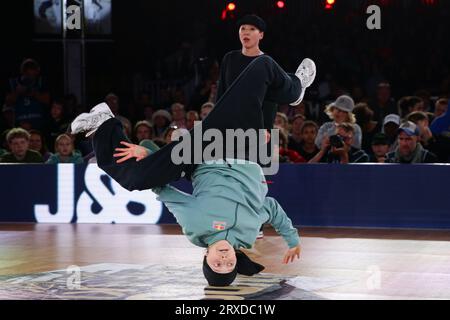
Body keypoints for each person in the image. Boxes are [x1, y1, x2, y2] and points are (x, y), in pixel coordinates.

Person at [70, 53, 315, 286]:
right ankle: (295, 88)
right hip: (245, 150)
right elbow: (271, 208)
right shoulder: (249, 233)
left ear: (206, 258)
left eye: (216, 264)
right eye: (228, 265)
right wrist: (292, 239)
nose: (223, 260)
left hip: (202, 152)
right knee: (262, 68)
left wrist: (151, 159)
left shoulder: (195, 227)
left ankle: (103, 123)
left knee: (135, 179)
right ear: (236, 261)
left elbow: (163, 190)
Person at [4, 58, 50, 130]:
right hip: (19, 123)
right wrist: (17, 92)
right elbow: (7, 102)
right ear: (23, 72)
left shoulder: (41, 82)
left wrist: (33, 93)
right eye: (28, 75)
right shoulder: (13, 83)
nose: (31, 77)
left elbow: (47, 100)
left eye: (33, 75)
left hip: (38, 124)